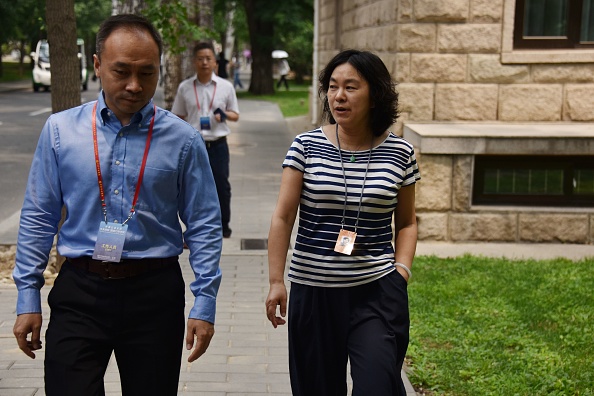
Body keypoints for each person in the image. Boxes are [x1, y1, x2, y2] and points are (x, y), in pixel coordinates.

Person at [12, 14, 223, 396]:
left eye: (147, 73)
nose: (134, 85)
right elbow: (39, 216)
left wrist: (204, 302)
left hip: (154, 294)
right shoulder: (60, 131)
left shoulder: (183, 140)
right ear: (96, 65)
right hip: (80, 288)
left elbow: (204, 223)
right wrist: (27, 296)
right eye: (121, 70)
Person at [265, 49, 421, 396]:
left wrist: (401, 272)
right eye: (333, 86)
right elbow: (283, 216)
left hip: (376, 292)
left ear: (375, 94)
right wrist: (277, 281)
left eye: (351, 87)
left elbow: (408, 223)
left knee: (378, 385)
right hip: (313, 292)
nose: (338, 96)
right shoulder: (305, 146)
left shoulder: (400, 153)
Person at [172, 41, 239, 238]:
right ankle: (193, 230)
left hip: (218, 144)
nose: (204, 62)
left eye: (208, 58)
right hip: (194, 145)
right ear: (194, 61)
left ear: (215, 62)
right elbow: (177, 116)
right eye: (200, 59)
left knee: (221, 186)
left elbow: (236, 114)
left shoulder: (225, 87)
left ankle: (223, 226)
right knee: (191, 188)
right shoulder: (185, 87)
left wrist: (224, 115)